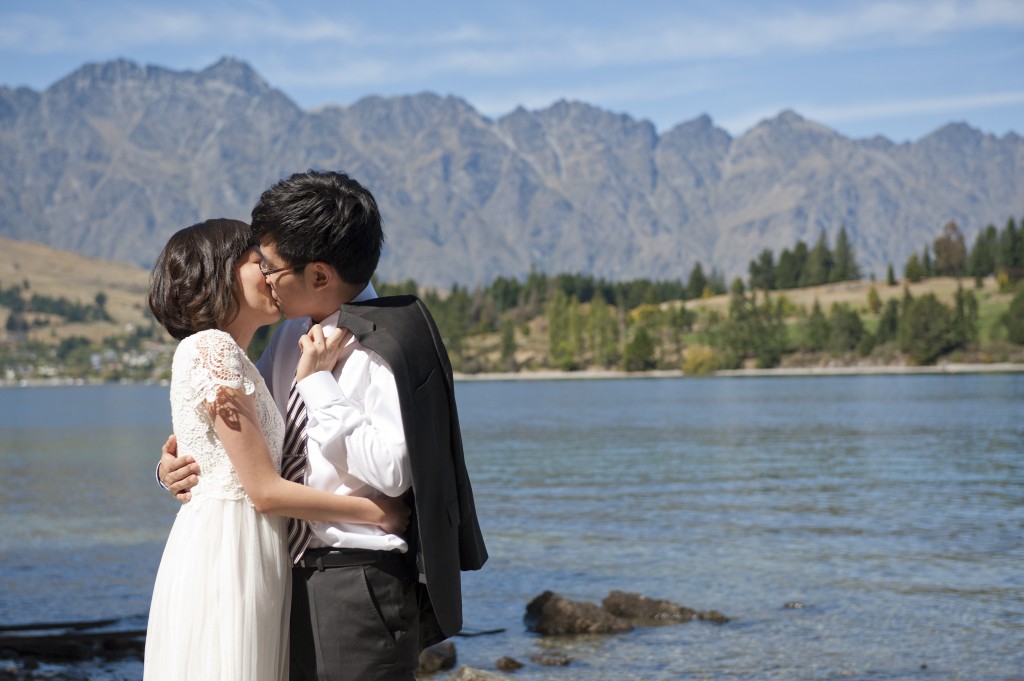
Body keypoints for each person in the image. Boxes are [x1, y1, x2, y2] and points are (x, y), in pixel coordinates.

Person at [159, 171, 488, 681]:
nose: (264, 277)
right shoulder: (289, 332)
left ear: (318, 275)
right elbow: (253, 434)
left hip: (353, 582)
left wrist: (319, 386)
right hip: (277, 575)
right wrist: (177, 465)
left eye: (269, 265)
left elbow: (393, 471)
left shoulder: (384, 344)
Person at [144, 218, 410, 681]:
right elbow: (262, 488)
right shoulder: (213, 350)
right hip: (229, 549)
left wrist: (176, 462)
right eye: (257, 264)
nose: (269, 276)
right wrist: (377, 513)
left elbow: (229, 446)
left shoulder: (253, 352)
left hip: (261, 550)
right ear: (220, 274)